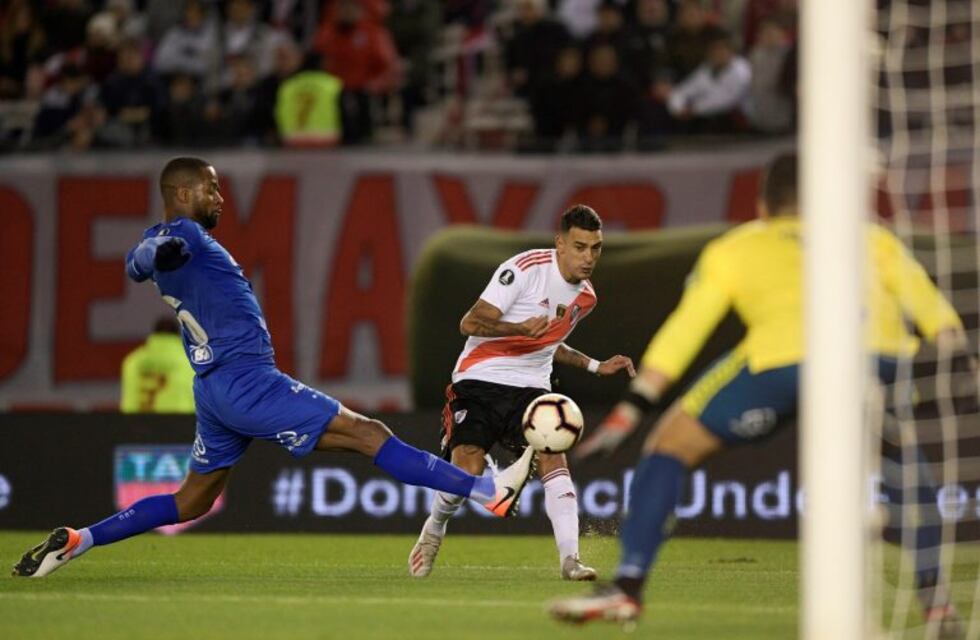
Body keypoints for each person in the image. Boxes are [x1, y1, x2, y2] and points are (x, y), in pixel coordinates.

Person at [13, 157, 536, 579]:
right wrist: (159, 248)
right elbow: (145, 257)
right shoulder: (185, 235)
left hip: (215, 390)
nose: (220, 198)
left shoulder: (177, 239)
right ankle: (487, 492)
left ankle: (80, 541)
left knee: (192, 500)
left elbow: (137, 261)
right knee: (370, 433)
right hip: (248, 381)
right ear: (182, 193)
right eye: (210, 190)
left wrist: (151, 252)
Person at [549, 153, 967, 636]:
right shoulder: (874, 240)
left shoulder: (739, 246)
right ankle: (937, 605)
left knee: (670, 444)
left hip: (783, 364)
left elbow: (685, 332)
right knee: (902, 460)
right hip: (879, 363)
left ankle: (628, 588)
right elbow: (945, 328)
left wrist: (633, 406)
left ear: (762, 204)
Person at [408, 205, 636, 581]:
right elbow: (470, 322)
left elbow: (549, 345)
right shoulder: (526, 269)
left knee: (553, 456)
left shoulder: (586, 298)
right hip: (479, 379)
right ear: (560, 244)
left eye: (596, 248)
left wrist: (595, 365)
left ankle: (570, 560)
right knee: (467, 467)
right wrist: (517, 328)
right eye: (580, 247)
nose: (589, 257)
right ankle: (434, 529)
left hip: (532, 388)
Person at [120, 316, 194, 413]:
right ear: (178, 335)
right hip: (179, 424)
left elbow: (128, 402)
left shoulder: (133, 361)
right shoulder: (189, 360)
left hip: (139, 426)